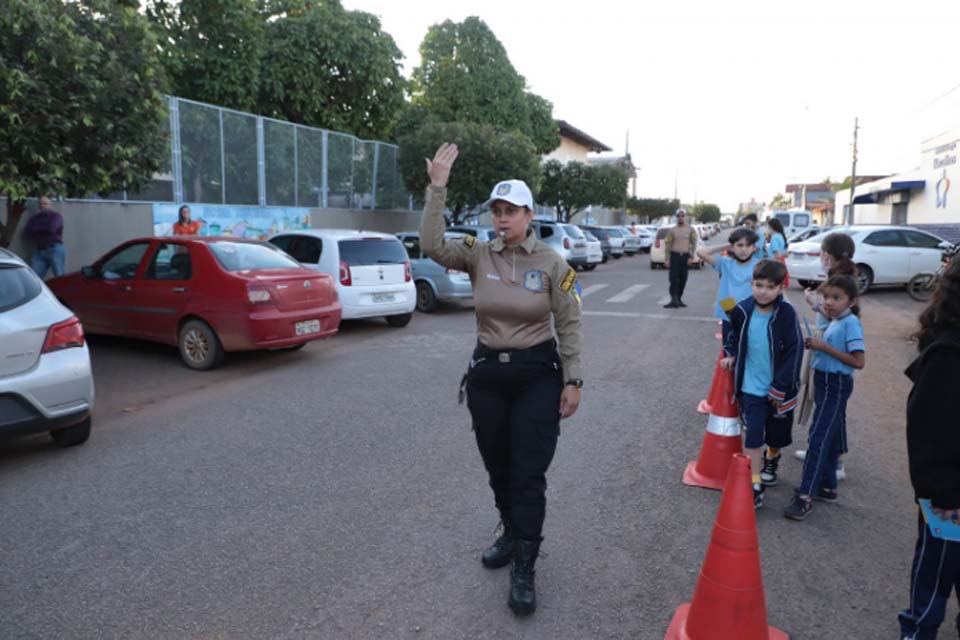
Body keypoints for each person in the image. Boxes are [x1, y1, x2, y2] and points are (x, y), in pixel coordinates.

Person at [419, 143, 583, 616]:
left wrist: (574, 380)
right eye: (496, 211)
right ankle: (510, 531)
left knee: (528, 472)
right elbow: (432, 245)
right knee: (498, 466)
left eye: (510, 211)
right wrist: (437, 189)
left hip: (537, 373)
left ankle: (526, 564)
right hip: (489, 373)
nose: (501, 219)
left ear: (530, 214)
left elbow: (570, 322)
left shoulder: (554, 263)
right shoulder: (477, 254)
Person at [898, 256, 960, 639]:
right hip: (949, 492)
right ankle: (918, 631)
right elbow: (928, 429)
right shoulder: (950, 354)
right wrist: (943, 492)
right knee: (936, 568)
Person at [721, 260, 803, 508]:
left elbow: (794, 351)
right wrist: (731, 352)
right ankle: (755, 483)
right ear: (751, 284)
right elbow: (728, 324)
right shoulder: (742, 309)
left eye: (770, 287)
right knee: (753, 435)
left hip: (779, 390)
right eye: (758, 285)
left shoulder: (786, 313)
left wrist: (779, 387)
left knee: (776, 436)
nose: (763, 291)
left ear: (780, 288)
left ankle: (773, 457)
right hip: (750, 389)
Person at [784, 275, 866, 521]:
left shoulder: (850, 323)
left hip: (835, 385)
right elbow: (825, 315)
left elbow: (859, 362)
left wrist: (823, 347)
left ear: (851, 301)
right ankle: (828, 486)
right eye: (827, 297)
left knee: (818, 438)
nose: (829, 302)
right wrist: (814, 304)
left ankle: (806, 496)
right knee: (829, 435)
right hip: (825, 383)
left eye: (836, 298)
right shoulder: (837, 319)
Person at [795, 231, 858, 477]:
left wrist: (815, 303)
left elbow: (841, 316)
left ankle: (831, 462)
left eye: (822, 252)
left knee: (830, 407)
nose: (820, 256)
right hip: (829, 344)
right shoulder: (844, 275)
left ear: (828, 255)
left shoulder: (841, 279)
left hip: (831, 348)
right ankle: (832, 458)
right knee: (833, 407)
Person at [697, 228, 761, 343]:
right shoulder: (725, 263)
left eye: (748, 245)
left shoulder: (759, 266)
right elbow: (701, 253)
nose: (743, 249)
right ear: (733, 247)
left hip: (750, 314)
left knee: (747, 350)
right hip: (729, 312)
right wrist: (726, 246)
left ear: (754, 248)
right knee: (729, 350)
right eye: (739, 245)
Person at [663, 208, 699, 309]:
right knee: (673, 279)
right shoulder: (672, 230)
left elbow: (693, 244)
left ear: (686, 217)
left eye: (682, 216)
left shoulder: (691, 230)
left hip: (685, 257)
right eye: (678, 216)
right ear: (676, 217)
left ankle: (679, 299)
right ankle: (673, 300)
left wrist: (691, 257)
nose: (680, 217)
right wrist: (667, 258)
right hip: (674, 257)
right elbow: (668, 245)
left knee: (683, 279)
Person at [23, 195, 65, 278]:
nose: (42, 206)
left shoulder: (56, 216)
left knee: (60, 277)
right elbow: (27, 231)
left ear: (50, 204)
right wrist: (44, 227)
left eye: (45, 204)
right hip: (40, 252)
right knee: (34, 278)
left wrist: (36, 228)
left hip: (54, 249)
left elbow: (51, 229)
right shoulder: (34, 218)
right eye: (40, 204)